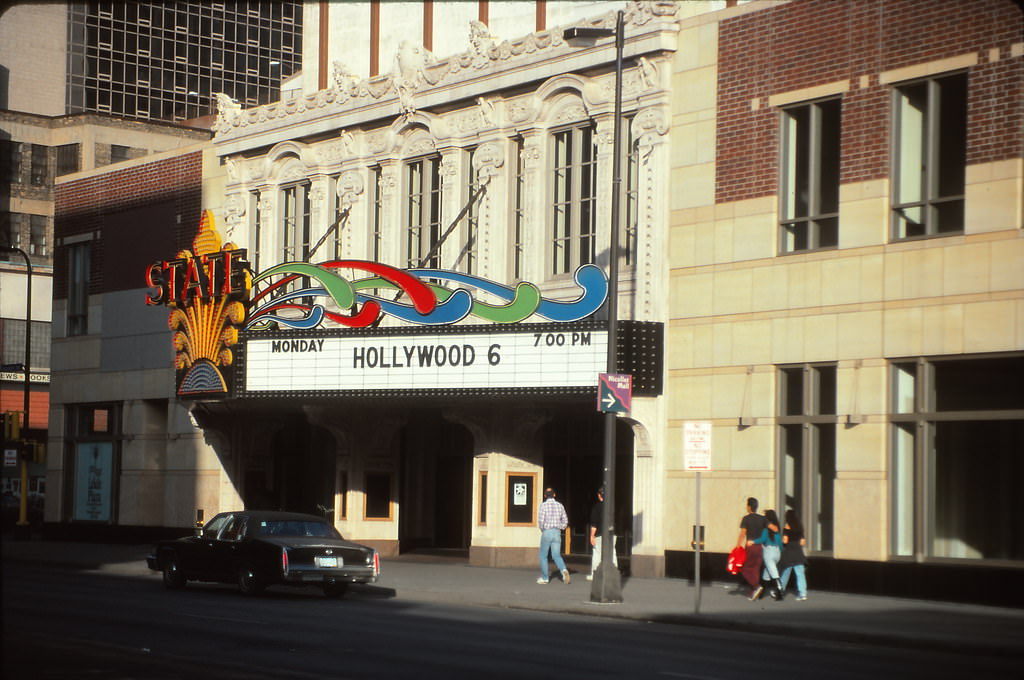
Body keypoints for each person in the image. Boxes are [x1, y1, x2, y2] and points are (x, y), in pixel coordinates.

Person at [536, 487, 570, 584]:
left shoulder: (543, 505)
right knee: (556, 555)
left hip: (547, 531)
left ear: (545, 495)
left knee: (543, 556)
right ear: (554, 495)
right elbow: (565, 520)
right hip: (557, 532)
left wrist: (543, 529)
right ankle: (563, 570)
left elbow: (541, 520)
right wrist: (561, 527)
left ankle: (545, 578)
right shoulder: (560, 505)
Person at [737, 497, 766, 600]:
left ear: (749, 507)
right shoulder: (762, 519)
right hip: (759, 547)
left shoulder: (746, 518)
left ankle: (756, 587)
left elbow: (743, 533)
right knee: (755, 570)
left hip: (750, 547)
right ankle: (753, 593)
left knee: (745, 569)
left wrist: (738, 546)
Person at [587, 486, 618, 581]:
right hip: (612, 534)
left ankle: (595, 574)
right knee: (612, 553)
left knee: (597, 553)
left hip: (600, 534)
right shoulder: (612, 507)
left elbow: (594, 523)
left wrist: (592, 536)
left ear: (599, 495)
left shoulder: (597, 507)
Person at [754, 508, 784, 601]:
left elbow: (762, 539)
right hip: (777, 552)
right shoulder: (777, 530)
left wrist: (752, 541)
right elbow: (780, 543)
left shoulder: (766, 530)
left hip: (769, 552)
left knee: (774, 573)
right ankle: (761, 593)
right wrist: (781, 551)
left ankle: (779, 592)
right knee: (766, 573)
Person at [779, 509, 808, 600]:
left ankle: (780, 591)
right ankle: (803, 594)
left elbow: (785, 540)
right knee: (800, 573)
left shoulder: (787, 526)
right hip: (798, 552)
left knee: (785, 572)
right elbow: (803, 542)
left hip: (789, 551)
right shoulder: (800, 527)